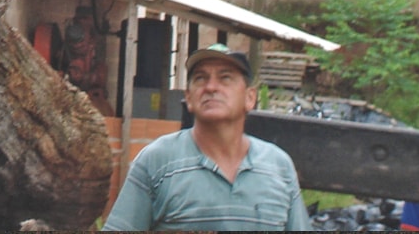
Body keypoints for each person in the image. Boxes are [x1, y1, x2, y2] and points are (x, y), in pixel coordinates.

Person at [104, 43, 311, 231]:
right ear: (189, 98)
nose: (211, 87)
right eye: (201, 78)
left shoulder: (278, 167)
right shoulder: (157, 162)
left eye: (225, 78)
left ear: (250, 98)